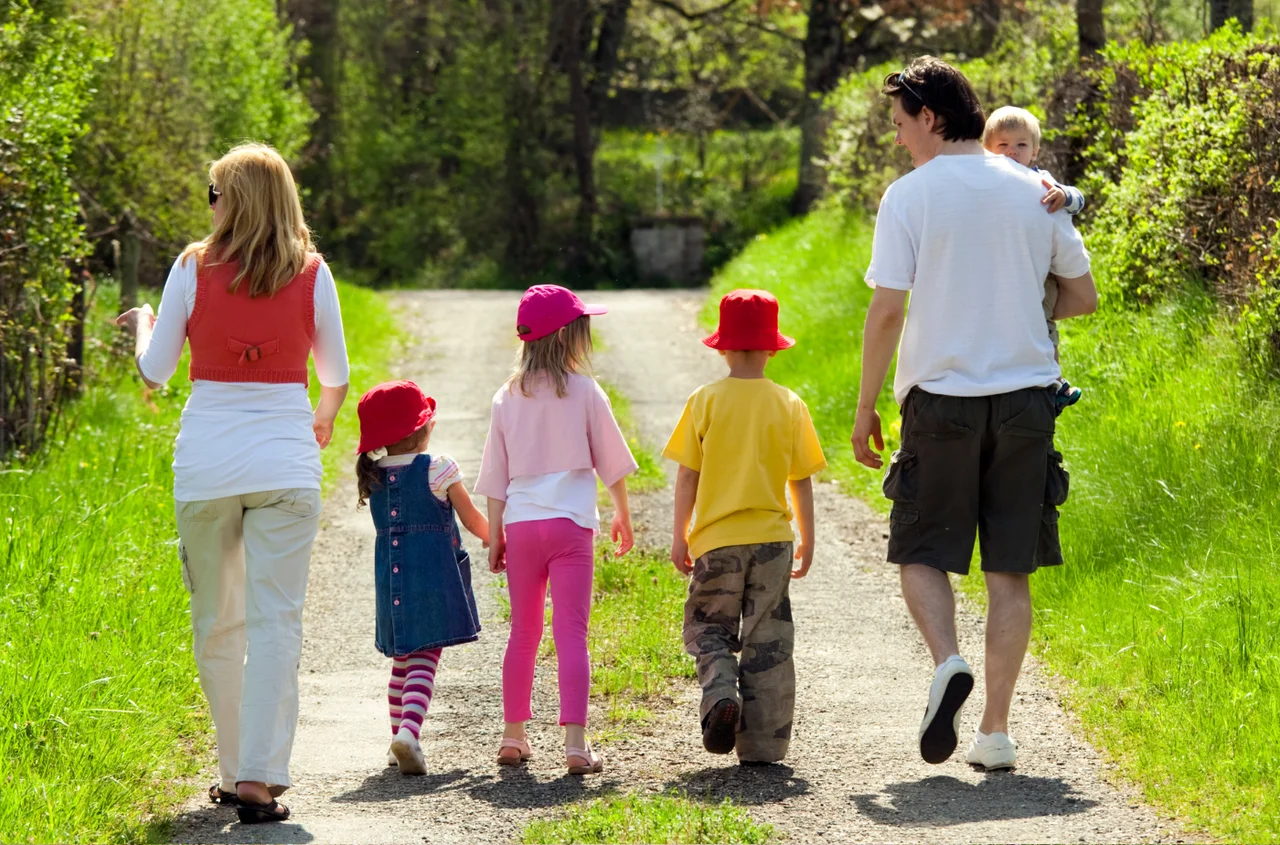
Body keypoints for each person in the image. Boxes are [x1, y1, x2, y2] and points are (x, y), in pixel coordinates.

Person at [850, 57, 1097, 771]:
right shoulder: (1035, 189)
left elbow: (887, 310)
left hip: (940, 402)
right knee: (1009, 569)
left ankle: (947, 660)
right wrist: (1018, 304)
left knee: (922, 551)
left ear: (930, 117)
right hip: (1027, 402)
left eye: (900, 123)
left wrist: (866, 407)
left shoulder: (908, 197)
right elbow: (1082, 297)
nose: (898, 137)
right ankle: (994, 731)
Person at [115, 143, 349, 823]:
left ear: (235, 201)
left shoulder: (192, 268)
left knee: (218, 624)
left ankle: (231, 768)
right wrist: (323, 417)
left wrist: (144, 324)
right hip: (285, 470)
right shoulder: (312, 273)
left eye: (215, 193)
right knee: (277, 622)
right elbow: (335, 375)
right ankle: (259, 777)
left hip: (208, 470)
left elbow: (156, 371)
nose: (210, 205)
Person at [474, 284, 637, 776]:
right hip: (571, 528)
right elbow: (612, 462)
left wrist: (497, 533)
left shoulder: (506, 397)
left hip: (522, 527)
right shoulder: (585, 391)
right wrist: (622, 513)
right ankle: (576, 745)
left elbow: (495, 475)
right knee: (571, 634)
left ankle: (513, 736)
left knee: (523, 632)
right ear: (566, 337)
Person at [663, 289, 826, 765]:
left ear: (722, 348)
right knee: (768, 640)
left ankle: (720, 693)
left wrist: (680, 534)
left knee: (709, 627)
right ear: (773, 348)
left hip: (717, 543)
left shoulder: (705, 401)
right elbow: (801, 479)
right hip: (774, 541)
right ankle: (763, 747)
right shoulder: (789, 403)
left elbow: (687, 476)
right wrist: (808, 539)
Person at [354, 380, 489, 775]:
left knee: (402, 662)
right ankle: (409, 733)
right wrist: (497, 539)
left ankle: (397, 739)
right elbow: (471, 518)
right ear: (424, 427)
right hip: (432, 579)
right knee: (426, 657)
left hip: (391, 584)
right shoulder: (438, 467)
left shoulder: (374, 475)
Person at [983, 105, 1087, 412]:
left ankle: (1055, 382)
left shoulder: (1041, 180)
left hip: (1043, 273)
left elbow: (1079, 199)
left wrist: (1063, 196)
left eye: (1021, 145)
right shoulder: (984, 182)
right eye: (1003, 145)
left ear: (1035, 151)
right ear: (986, 149)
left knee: (1042, 322)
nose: (1012, 152)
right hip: (1008, 269)